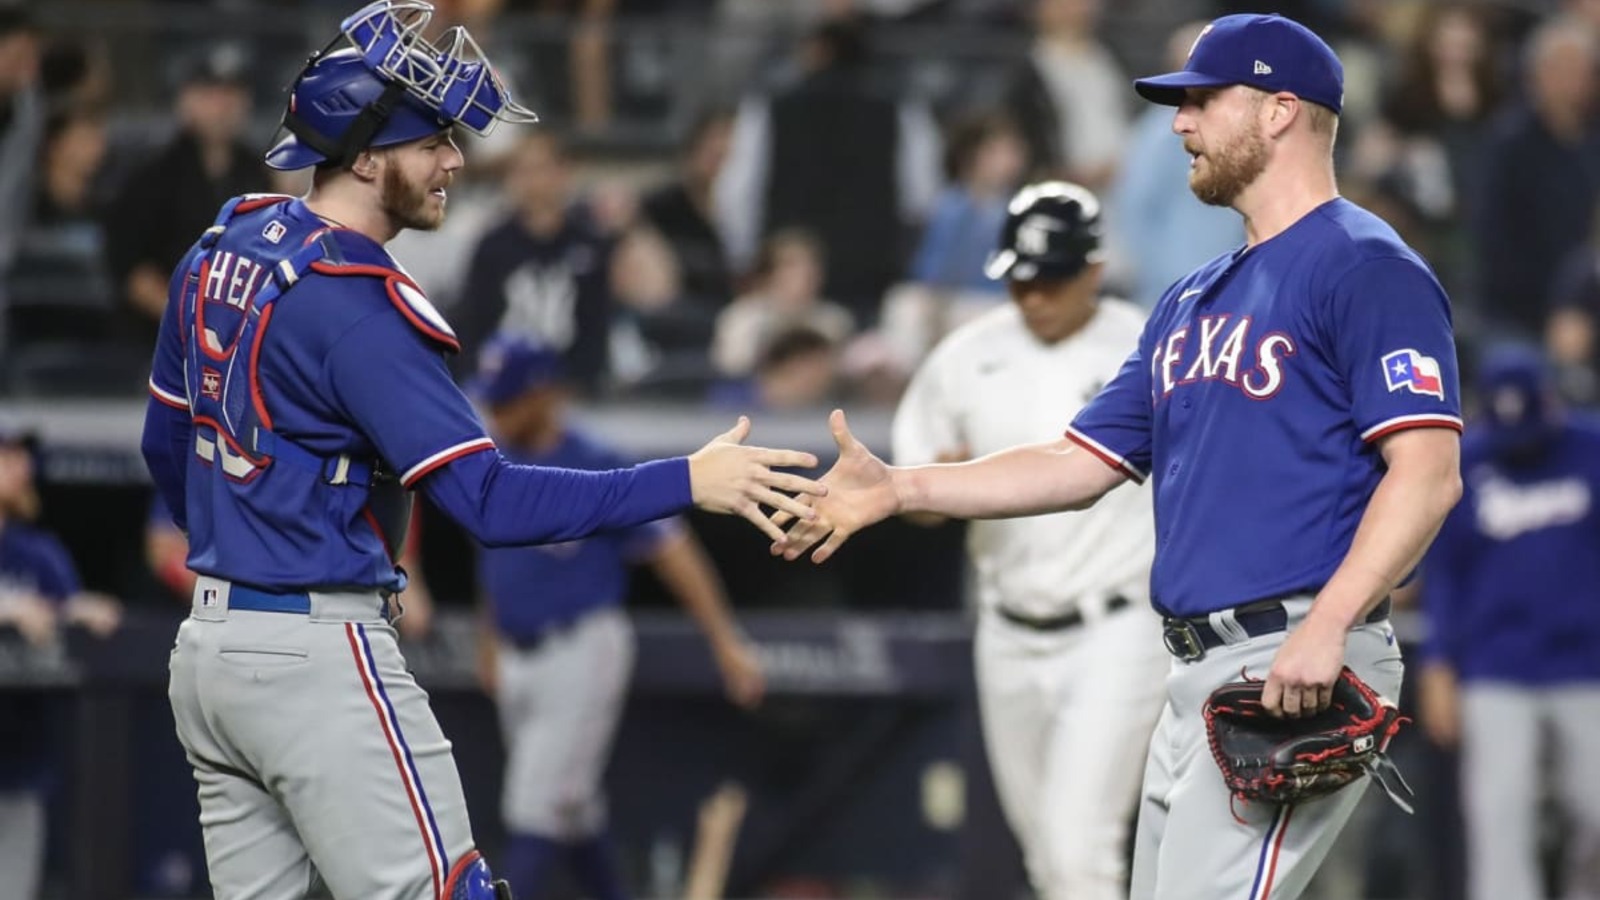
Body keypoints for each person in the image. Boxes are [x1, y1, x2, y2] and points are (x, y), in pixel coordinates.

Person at [138, 4, 824, 898]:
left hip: (211, 651)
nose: (455, 161)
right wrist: (688, 477)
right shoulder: (357, 300)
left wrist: (246, 552)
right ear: (366, 152)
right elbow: (490, 506)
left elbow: (166, 446)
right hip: (317, 652)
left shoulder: (222, 242)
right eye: (431, 141)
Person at [774, 14, 1464, 900]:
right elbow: (1079, 462)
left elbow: (1428, 474)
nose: (1180, 123)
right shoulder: (1190, 297)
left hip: (1293, 658)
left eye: (1204, 101)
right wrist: (904, 487)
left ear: (1282, 111)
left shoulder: (1367, 266)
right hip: (1194, 669)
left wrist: (1328, 627)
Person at [891, 180, 1166, 900]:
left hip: (1119, 623)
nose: (1034, 294)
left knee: (1078, 851)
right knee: (1045, 853)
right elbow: (914, 494)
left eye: (1052, 277)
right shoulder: (966, 355)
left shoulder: (1148, 344)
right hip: (1007, 630)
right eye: (1020, 278)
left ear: (1095, 270)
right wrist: (932, 492)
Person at [444, 332, 766, 900]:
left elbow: (673, 554)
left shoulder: (594, 462)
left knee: (535, 808)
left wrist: (725, 640)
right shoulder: (497, 460)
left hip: (581, 647)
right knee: (574, 811)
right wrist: (489, 636)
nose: (495, 412)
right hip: (519, 652)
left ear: (544, 394)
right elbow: (494, 564)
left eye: (509, 399)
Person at [1419, 345, 1600, 900]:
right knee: (1498, 820)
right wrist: (1438, 664)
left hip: (1587, 663)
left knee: (1596, 811)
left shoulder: (1590, 449)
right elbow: (1444, 576)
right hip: (1494, 663)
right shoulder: (1469, 460)